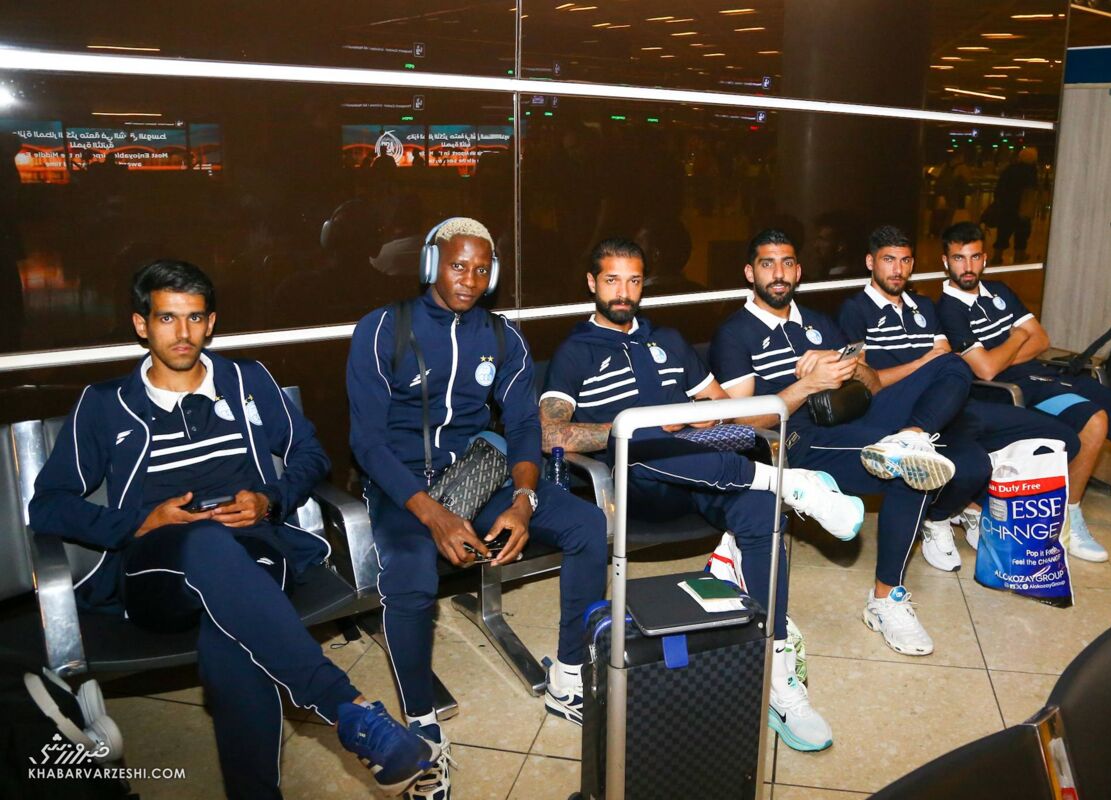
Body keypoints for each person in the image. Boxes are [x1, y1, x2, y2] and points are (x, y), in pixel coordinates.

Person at [29, 260, 437, 799]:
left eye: (195, 318)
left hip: (255, 545)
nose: (183, 333)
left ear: (211, 322)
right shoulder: (107, 404)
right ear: (141, 325)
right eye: (167, 318)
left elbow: (310, 454)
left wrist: (269, 499)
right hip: (157, 566)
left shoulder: (247, 381)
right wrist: (140, 521)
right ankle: (347, 707)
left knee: (233, 637)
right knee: (206, 544)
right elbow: (48, 505)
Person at [540, 237, 866, 753]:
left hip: (701, 473)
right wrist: (633, 427)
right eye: (612, 280)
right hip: (637, 485)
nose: (623, 292)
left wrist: (705, 416)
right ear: (591, 283)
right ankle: (792, 484)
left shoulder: (668, 340)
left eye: (633, 280)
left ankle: (777, 673)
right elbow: (551, 434)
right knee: (648, 438)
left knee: (760, 511)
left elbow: (724, 410)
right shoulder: (574, 351)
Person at [347, 218, 608, 797]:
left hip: (477, 474)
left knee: (587, 524)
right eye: (457, 265)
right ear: (430, 264)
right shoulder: (382, 329)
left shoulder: (502, 336)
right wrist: (433, 514)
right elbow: (366, 442)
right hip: (399, 484)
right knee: (411, 573)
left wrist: (524, 499)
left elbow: (523, 426)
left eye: (481, 269)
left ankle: (568, 677)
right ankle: (421, 728)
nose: (469, 279)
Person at [709, 229, 990, 657]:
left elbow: (871, 384)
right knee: (912, 471)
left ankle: (911, 437)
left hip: (855, 413)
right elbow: (744, 420)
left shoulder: (818, 322)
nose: (779, 273)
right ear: (750, 273)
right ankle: (885, 600)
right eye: (768, 264)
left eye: (787, 263)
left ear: (799, 271)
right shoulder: (734, 333)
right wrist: (807, 383)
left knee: (952, 365)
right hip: (799, 435)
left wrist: (845, 365)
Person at [936, 221, 1111, 558]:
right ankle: (1068, 521)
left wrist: (1004, 351)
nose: (967, 267)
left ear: (985, 258)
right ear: (946, 262)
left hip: (1048, 376)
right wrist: (1018, 337)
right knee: (1094, 421)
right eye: (959, 258)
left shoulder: (1000, 291)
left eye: (974, 257)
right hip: (1016, 389)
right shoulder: (948, 310)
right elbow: (987, 370)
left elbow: (1041, 340)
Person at [838, 225, 1082, 571]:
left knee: (1062, 437)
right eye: (888, 260)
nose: (897, 269)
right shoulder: (855, 310)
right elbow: (867, 381)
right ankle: (937, 517)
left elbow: (944, 360)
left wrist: (935, 365)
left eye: (905, 261)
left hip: (948, 405)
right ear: (870, 263)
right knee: (973, 464)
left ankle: (972, 504)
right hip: (897, 414)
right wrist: (924, 364)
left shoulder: (924, 305)